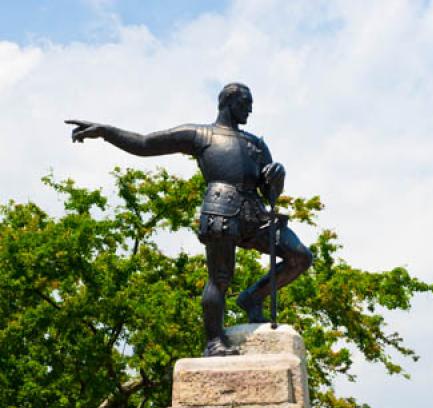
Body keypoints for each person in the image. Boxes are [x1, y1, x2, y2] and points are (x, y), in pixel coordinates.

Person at [66, 82, 312, 356]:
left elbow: (269, 192)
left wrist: (277, 176)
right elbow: (145, 143)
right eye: (246, 104)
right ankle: (214, 342)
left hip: (255, 213)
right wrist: (105, 132)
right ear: (230, 102)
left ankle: (253, 298)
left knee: (299, 256)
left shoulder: (256, 144)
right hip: (221, 207)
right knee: (220, 277)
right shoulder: (200, 134)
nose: (250, 111)